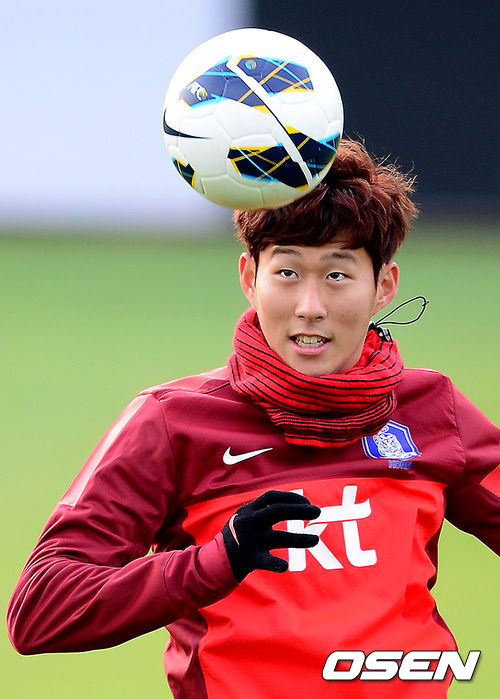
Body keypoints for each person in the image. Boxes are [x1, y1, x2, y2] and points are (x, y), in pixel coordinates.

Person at [7, 138, 499, 698]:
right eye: (287, 272)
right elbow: (41, 610)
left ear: (383, 286)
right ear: (249, 277)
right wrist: (216, 562)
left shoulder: (433, 411)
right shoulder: (172, 423)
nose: (310, 306)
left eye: (337, 275)